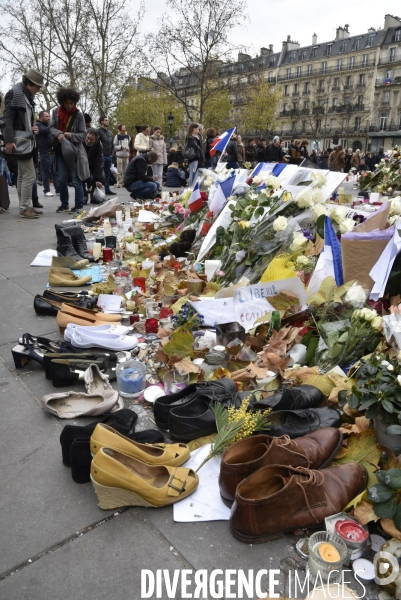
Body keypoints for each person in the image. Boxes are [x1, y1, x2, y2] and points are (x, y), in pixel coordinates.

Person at [2, 68, 45, 218]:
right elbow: (7, 118)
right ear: (29, 83)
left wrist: (32, 128)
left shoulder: (24, 95)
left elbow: (22, 120)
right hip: (20, 142)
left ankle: (24, 206)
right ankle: (25, 208)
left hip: (24, 140)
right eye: (37, 86)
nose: (39, 90)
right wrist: (8, 140)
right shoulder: (15, 94)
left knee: (22, 175)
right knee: (29, 175)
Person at [50, 87, 90, 216]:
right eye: (66, 103)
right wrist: (59, 135)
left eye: (71, 103)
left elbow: (83, 135)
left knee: (76, 179)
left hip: (74, 152)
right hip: (61, 150)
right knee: (61, 179)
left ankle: (78, 205)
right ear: (62, 102)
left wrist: (70, 135)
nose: (69, 105)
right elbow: (51, 128)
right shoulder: (55, 112)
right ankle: (64, 204)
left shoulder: (78, 114)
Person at [36, 110, 59, 198]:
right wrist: (52, 125)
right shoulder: (38, 125)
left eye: (49, 116)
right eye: (47, 116)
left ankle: (58, 189)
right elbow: (45, 131)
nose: (48, 118)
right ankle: (46, 190)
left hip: (52, 151)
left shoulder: (46, 125)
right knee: (46, 172)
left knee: (54, 172)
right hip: (45, 152)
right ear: (41, 117)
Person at [83, 128, 104, 202]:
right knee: (81, 178)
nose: (88, 141)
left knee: (95, 177)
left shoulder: (99, 145)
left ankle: (93, 195)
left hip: (93, 163)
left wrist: (97, 179)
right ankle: (84, 195)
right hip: (82, 163)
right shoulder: (82, 141)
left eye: (91, 139)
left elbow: (98, 163)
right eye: (88, 138)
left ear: (96, 139)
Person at [97, 116, 115, 196]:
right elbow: (97, 143)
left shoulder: (110, 133)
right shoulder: (98, 131)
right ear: (101, 121)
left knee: (107, 174)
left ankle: (107, 189)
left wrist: (111, 154)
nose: (107, 121)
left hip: (109, 156)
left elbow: (112, 144)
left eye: (108, 120)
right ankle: (97, 190)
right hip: (101, 155)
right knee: (99, 173)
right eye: (106, 120)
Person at [149, 126, 167, 191]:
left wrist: (165, 161)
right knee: (155, 174)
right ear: (153, 131)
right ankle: (155, 186)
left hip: (161, 158)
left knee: (160, 174)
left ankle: (160, 186)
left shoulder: (162, 139)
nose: (158, 134)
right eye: (157, 132)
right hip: (154, 158)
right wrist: (155, 153)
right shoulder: (151, 139)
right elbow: (150, 148)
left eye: (159, 132)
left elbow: (164, 150)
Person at [113, 124, 130, 188]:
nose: (124, 128)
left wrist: (129, 149)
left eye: (124, 127)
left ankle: (124, 182)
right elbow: (114, 145)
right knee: (119, 169)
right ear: (120, 128)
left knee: (125, 170)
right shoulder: (117, 136)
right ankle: (119, 182)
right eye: (123, 127)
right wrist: (121, 147)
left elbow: (129, 144)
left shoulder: (128, 136)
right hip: (119, 155)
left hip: (126, 155)